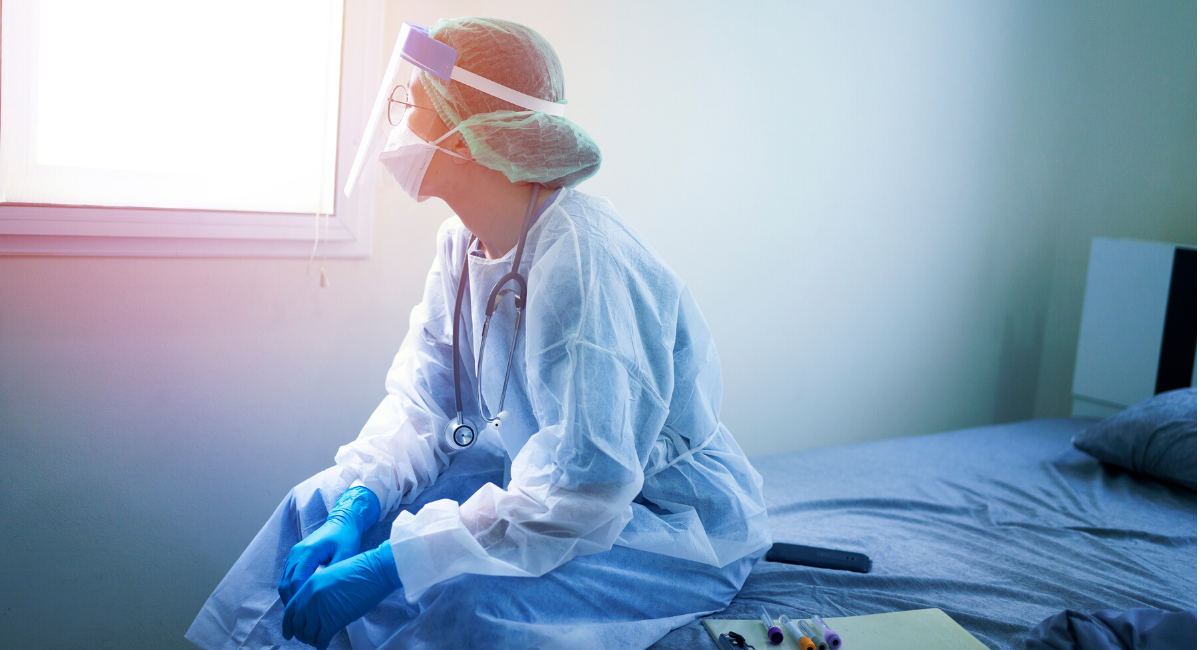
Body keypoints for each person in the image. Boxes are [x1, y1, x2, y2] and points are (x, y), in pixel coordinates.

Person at [186, 17, 770, 650]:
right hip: (551, 485)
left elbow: (583, 493)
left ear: (475, 134)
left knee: (461, 608)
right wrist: (359, 502)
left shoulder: (583, 260)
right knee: (314, 506)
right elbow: (424, 401)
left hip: (658, 520)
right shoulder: (461, 244)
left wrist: (391, 564)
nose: (401, 121)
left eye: (417, 103)